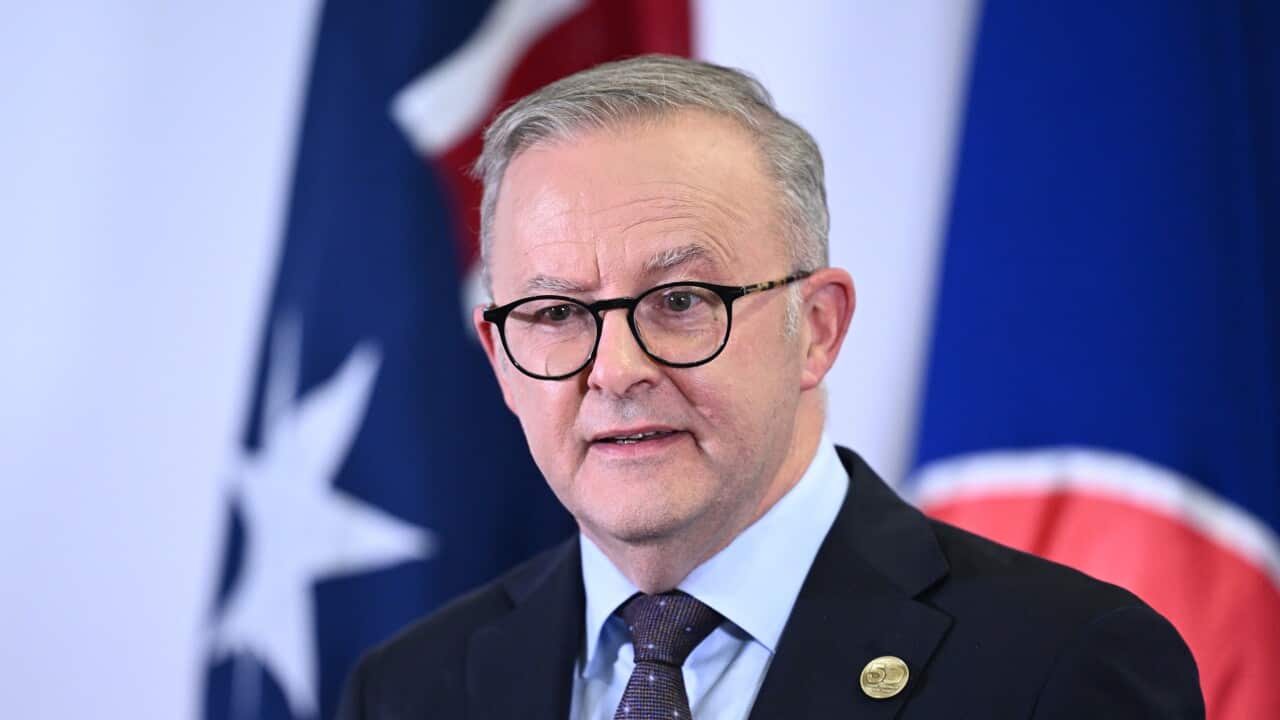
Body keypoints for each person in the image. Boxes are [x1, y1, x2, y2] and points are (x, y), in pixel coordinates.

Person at [338, 55, 1203, 719]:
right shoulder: (411, 688)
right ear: (499, 357)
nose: (615, 370)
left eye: (681, 301)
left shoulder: (1060, 668)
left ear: (817, 328)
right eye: (557, 313)